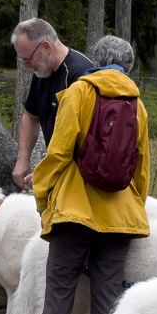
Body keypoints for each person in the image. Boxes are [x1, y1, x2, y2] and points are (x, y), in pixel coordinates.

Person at [0, 35, 150, 314]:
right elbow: (140, 169)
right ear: (128, 68)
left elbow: (59, 152)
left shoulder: (78, 93)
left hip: (74, 213)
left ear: (95, 59)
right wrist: (134, 207)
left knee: (59, 297)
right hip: (119, 218)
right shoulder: (137, 105)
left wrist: (42, 197)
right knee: (109, 302)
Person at [11, 18, 93, 191]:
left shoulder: (81, 74)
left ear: (46, 47)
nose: (25, 66)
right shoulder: (42, 70)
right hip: (58, 176)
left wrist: (49, 171)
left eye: (28, 59)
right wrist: (22, 159)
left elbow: (84, 140)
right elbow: (30, 116)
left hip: (81, 180)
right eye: (22, 60)